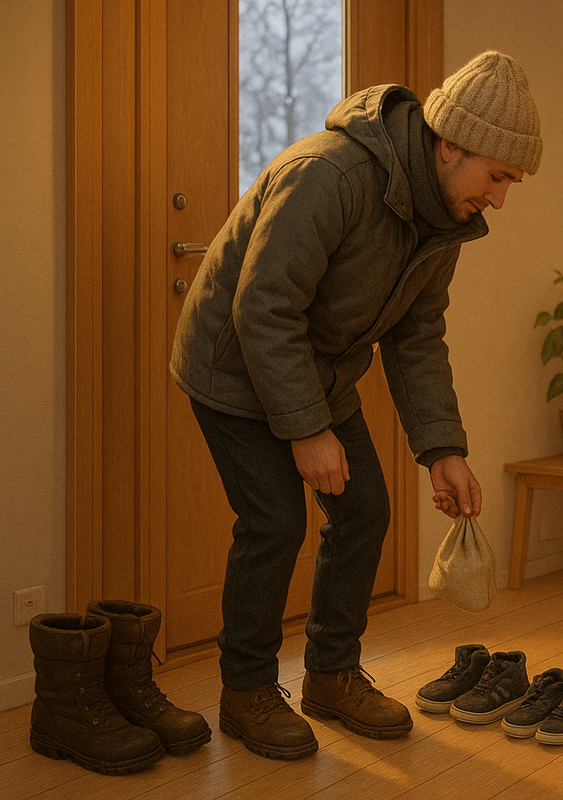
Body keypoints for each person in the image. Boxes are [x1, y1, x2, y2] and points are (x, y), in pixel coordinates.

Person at [171, 50, 542, 758]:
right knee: (275, 522)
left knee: (365, 508)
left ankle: (331, 674)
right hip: (233, 363)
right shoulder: (329, 174)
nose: (499, 199)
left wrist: (442, 449)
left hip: (318, 368)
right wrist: (308, 430)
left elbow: (417, 335)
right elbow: (264, 310)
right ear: (451, 145)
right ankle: (246, 691)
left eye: (510, 183)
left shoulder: (444, 217)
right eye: (497, 177)